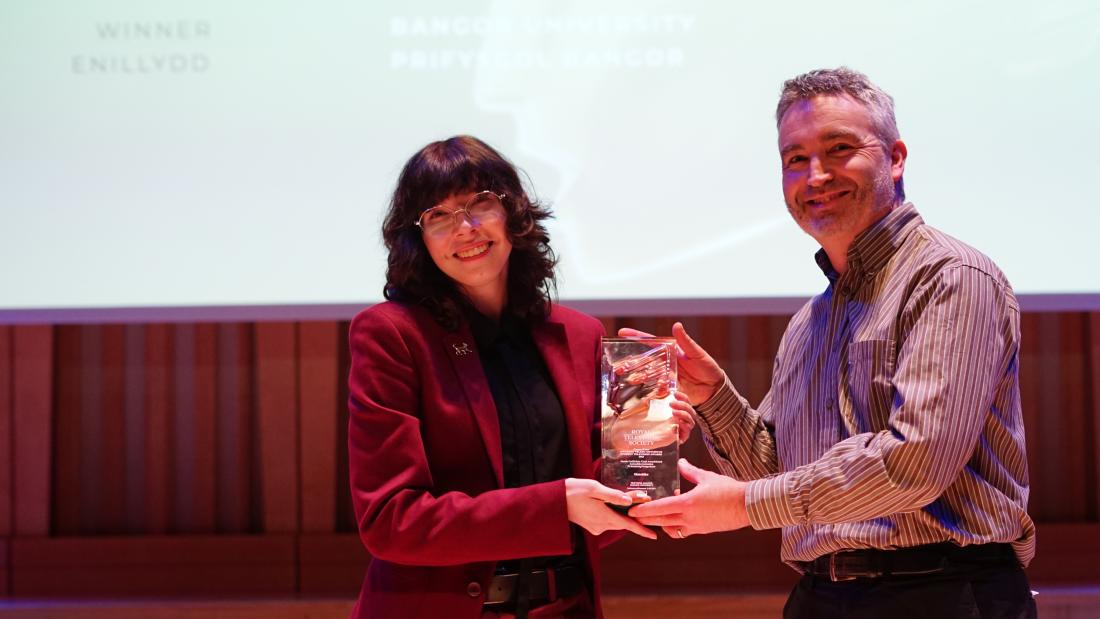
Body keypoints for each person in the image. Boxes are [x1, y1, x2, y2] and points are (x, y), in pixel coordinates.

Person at [626, 68, 1037, 618]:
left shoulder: (952, 277)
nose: (815, 174)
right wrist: (712, 397)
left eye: (839, 149)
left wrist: (745, 506)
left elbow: (915, 462)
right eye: (795, 159)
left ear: (895, 157)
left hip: (942, 592)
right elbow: (780, 477)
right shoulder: (808, 323)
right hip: (820, 596)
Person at [346, 135, 694, 619]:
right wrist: (557, 506)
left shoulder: (578, 334)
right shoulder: (391, 335)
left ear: (514, 214)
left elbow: (606, 519)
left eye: (479, 203)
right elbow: (391, 523)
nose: (465, 228)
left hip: (567, 606)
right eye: (438, 216)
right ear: (418, 239)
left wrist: (650, 449)